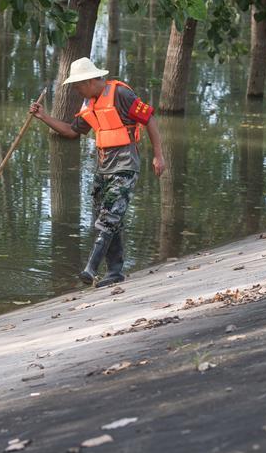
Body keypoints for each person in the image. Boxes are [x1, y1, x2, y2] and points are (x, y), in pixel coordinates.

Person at [30, 57, 165, 287]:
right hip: (103, 170)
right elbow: (72, 131)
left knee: (109, 219)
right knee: (107, 219)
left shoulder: (122, 94)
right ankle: (115, 272)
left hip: (125, 167)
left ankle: (90, 269)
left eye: (78, 85)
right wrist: (44, 117)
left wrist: (158, 155)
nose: (76, 90)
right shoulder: (88, 103)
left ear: (90, 80)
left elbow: (149, 118)